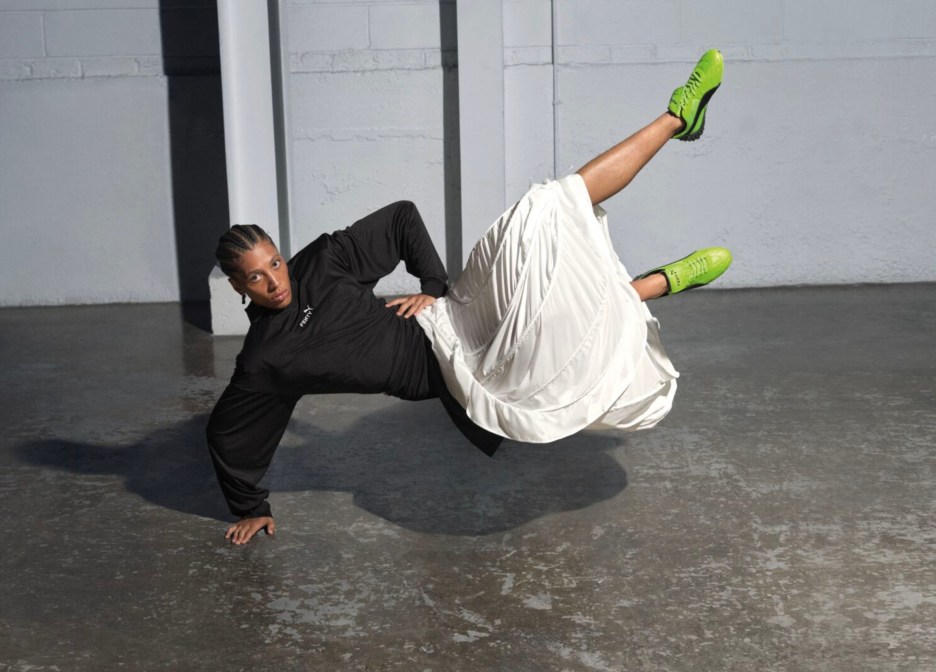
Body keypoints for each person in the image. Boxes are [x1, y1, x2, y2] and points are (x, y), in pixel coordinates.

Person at [208, 50, 732, 545]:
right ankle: (660, 282)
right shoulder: (266, 358)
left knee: (542, 211)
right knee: (561, 338)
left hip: (453, 313)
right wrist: (251, 506)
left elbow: (400, 218)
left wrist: (432, 286)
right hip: (457, 374)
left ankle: (677, 118)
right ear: (237, 286)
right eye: (256, 278)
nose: (275, 281)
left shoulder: (320, 264)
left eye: (274, 263)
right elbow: (228, 434)